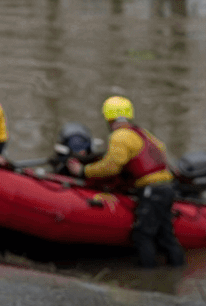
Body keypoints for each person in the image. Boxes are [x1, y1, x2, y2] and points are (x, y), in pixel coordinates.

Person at [66, 96, 186, 268]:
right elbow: (161, 150)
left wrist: (83, 171)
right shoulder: (143, 134)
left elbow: (112, 166)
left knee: (143, 235)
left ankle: (148, 279)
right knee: (165, 235)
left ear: (109, 117)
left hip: (151, 190)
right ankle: (176, 272)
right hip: (166, 188)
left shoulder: (119, 136)